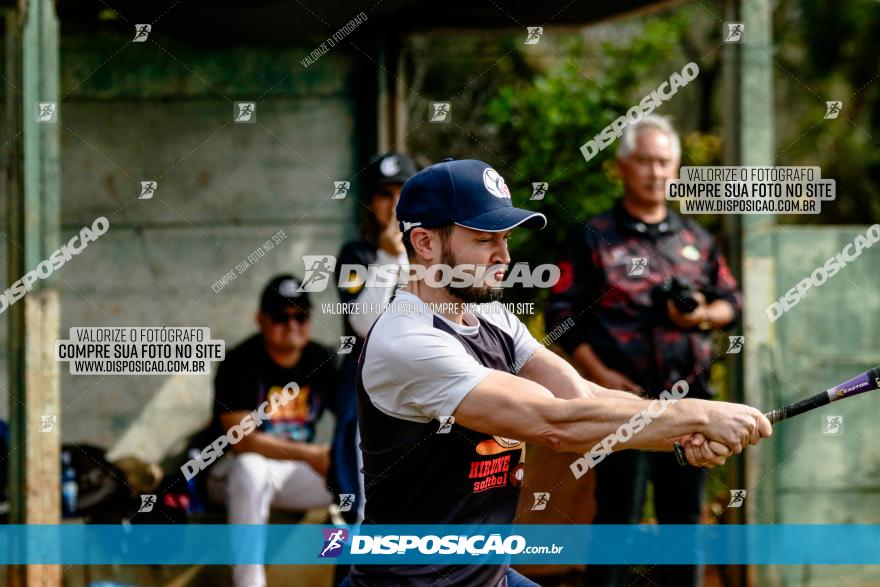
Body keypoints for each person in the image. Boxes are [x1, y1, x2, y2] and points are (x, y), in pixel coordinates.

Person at [343, 158, 770, 586]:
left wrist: (679, 432)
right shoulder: (408, 341)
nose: (504, 257)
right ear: (425, 243)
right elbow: (554, 423)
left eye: (506, 238)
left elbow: (579, 397)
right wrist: (695, 416)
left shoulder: (490, 316)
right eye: (484, 239)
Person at [544, 114, 743, 587]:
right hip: (621, 402)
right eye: (646, 162)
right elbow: (561, 317)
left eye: (665, 163)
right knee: (618, 516)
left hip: (692, 401)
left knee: (684, 521)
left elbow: (732, 304)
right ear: (624, 166)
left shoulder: (696, 238)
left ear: (676, 169)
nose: (656, 173)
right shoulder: (593, 236)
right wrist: (599, 378)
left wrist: (699, 315)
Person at [208, 274, 337, 587]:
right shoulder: (240, 362)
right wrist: (311, 454)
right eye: (282, 316)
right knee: (251, 468)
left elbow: (357, 420)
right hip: (231, 474)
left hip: (293, 475)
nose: (293, 324)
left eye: (301, 316)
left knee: (363, 470)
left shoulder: (323, 360)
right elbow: (242, 441)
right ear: (261, 320)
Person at [328, 152, 417, 586]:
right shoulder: (356, 254)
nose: (395, 205)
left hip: (424, 401)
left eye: (404, 193)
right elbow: (364, 324)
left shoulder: (434, 258)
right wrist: (385, 259)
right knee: (365, 514)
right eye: (385, 194)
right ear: (370, 204)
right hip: (370, 402)